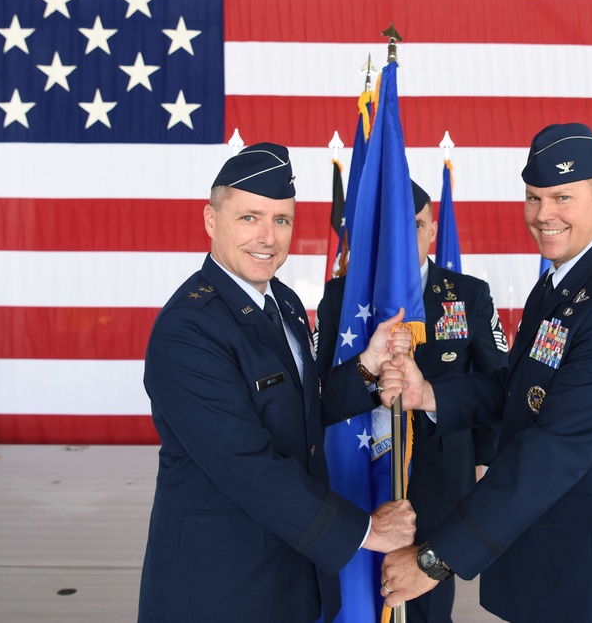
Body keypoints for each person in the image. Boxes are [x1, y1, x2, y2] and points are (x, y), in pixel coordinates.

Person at [378, 123, 592, 622]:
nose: (544, 215)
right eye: (533, 197)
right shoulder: (562, 283)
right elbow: (525, 388)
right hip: (555, 555)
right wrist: (430, 393)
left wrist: (437, 559)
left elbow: (556, 448)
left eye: (562, 197)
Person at [137, 142, 416, 623]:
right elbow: (246, 463)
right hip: (221, 587)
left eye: (281, 220)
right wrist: (366, 531)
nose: (267, 237)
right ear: (210, 219)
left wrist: (366, 368)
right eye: (250, 218)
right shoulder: (188, 329)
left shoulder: (282, 302)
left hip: (292, 572)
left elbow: (297, 409)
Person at [314, 179, 508, 623]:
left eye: (417, 227)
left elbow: (497, 383)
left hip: (442, 478)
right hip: (357, 471)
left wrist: (486, 462)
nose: (405, 242)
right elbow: (318, 385)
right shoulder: (342, 298)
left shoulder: (468, 294)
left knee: (426, 604)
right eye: (393, 233)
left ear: (433, 230)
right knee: (356, 594)